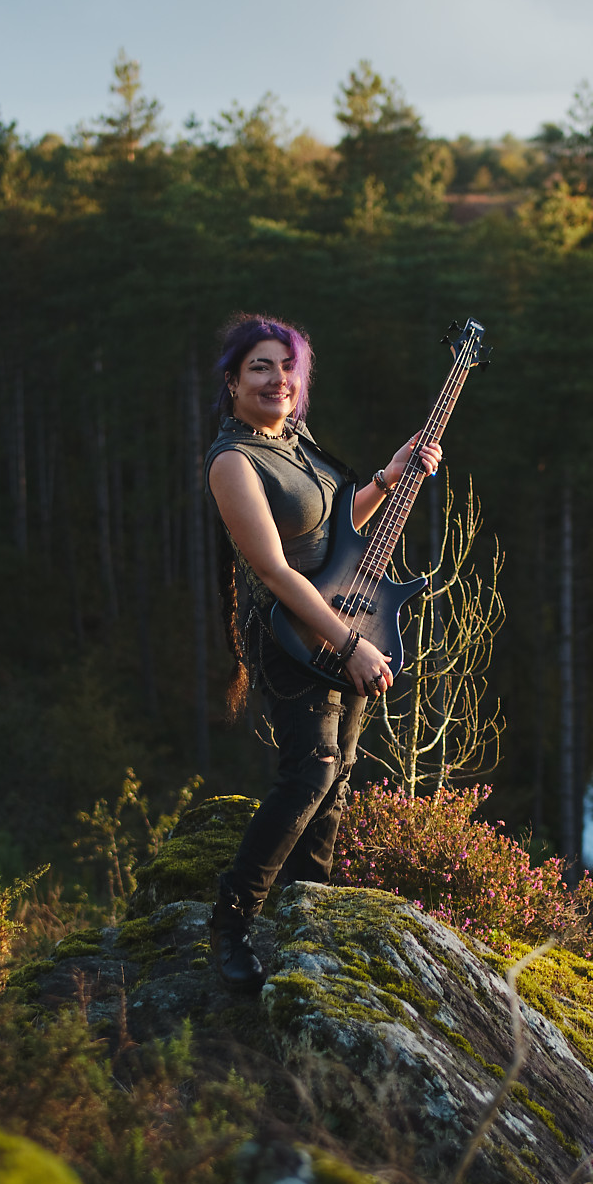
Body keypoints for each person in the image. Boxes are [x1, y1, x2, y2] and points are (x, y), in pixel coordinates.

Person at [204, 312, 442, 991]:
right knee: (311, 772)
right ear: (232, 381)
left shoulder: (296, 441)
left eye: (287, 366)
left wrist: (391, 476)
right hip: (288, 632)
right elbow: (278, 571)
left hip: (342, 615)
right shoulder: (233, 460)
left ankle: (312, 909)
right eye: (260, 367)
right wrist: (350, 645)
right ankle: (230, 921)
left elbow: (336, 537)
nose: (277, 378)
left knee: (338, 776)